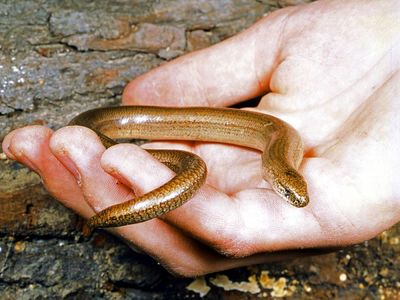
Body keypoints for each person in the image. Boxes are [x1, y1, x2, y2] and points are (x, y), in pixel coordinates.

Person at [2, 0, 399, 276]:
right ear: (279, 179)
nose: (296, 199)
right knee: (99, 138)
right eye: (292, 193)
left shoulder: (283, 147)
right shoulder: (283, 146)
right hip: (107, 125)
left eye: (292, 194)